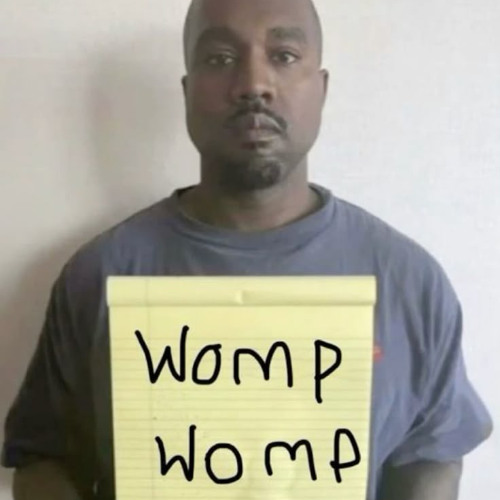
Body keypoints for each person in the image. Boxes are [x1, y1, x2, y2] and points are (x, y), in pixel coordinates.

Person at [1, 0, 493, 499]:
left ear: (321, 89)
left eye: (283, 55)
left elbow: (430, 454)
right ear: (188, 91)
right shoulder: (100, 275)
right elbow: (43, 459)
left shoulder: (409, 282)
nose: (254, 83)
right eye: (220, 58)